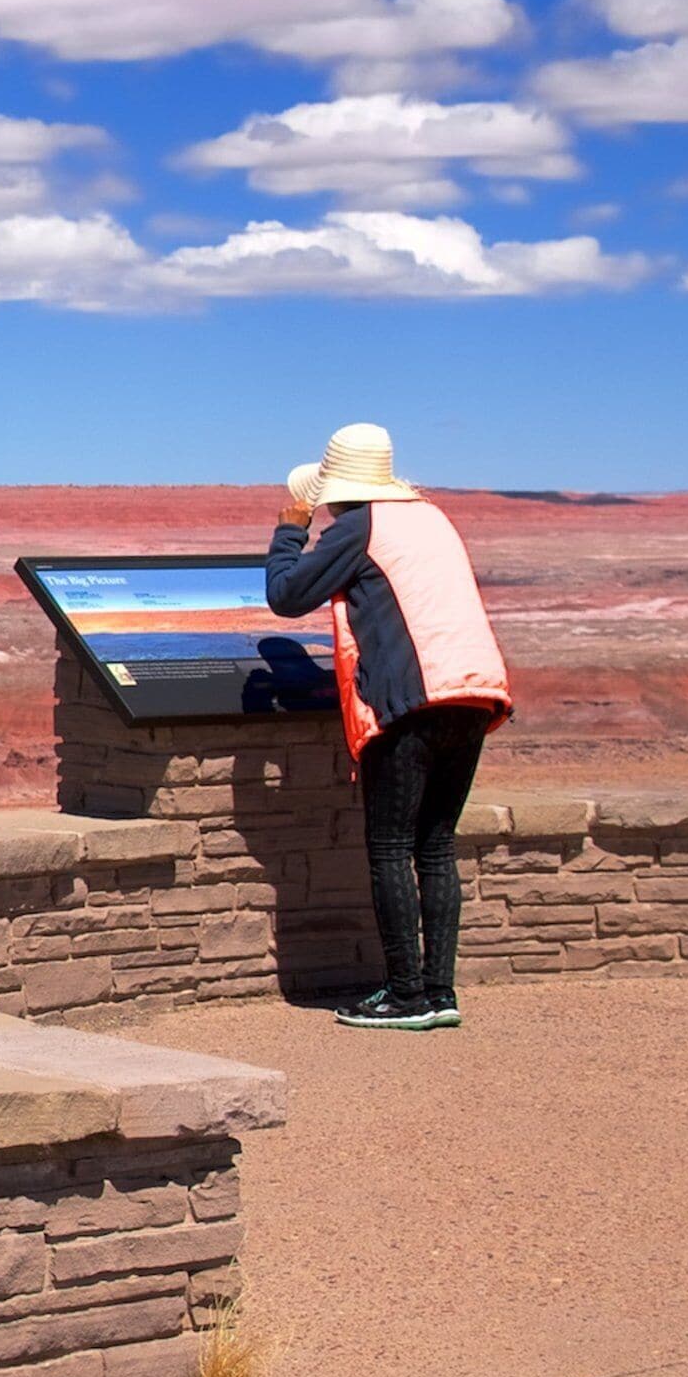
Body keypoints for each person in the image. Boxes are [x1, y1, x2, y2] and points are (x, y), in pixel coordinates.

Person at [264, 423, 512, 1031]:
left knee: (391, 848)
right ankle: (439, 991)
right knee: (435, 846)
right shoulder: (431, 516)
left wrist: (291, 528)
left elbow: (287, 594)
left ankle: (404, 994)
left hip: (412, 700)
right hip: (475, 692)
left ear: (335, 490)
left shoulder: (359, 526)